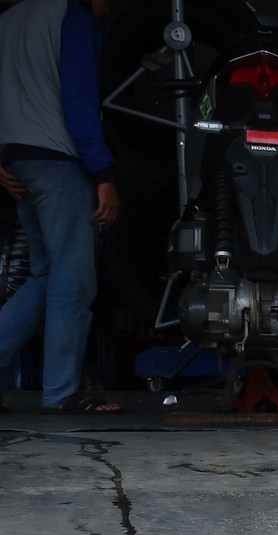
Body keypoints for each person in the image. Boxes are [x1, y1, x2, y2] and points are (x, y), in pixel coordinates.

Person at [0, 0, 120, 414]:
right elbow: (80, 99)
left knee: (45, 275)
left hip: (18, 161)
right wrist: (104, 174)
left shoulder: (8, 19)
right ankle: (61, 393)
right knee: (74, 278)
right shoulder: (71, 14)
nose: (110, 6)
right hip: (58, 159)